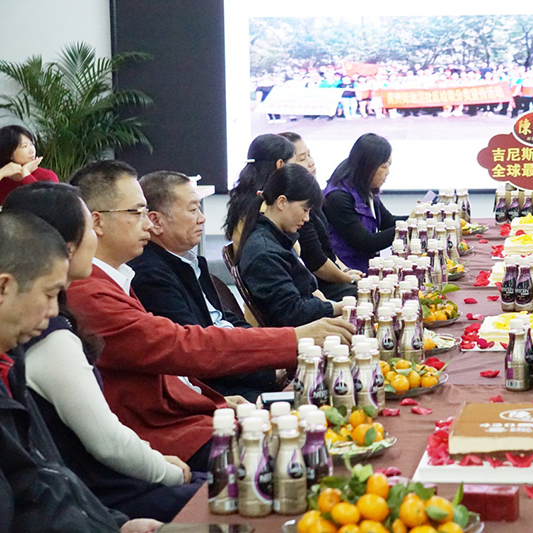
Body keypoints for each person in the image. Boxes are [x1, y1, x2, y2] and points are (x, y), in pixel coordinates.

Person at [67, 160, 353, 468]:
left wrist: (214, 401)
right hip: (171, 438)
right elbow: (182, 347)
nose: (147, 224)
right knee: (307, 451)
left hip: (196, 413)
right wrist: (293, 340)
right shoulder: (94, 292)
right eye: (136, 213)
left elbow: (175, 359)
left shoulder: (120, 277)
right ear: (97, 222)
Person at [4, 182, 202, 522]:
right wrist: (166, 473)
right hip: (105, 491)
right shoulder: (52, 333)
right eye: (89, 227)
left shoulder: (43, 325)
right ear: (64, 248)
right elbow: (106, 443)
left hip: (98, 494)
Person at [0, 209, 161, 532]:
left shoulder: (11, 363)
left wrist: (117, 525)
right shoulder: (41, 345)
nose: (53, 311)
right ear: (4, 288)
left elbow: (45, 478)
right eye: (49, 295)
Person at [130, 171, 282, 402]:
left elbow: (226, 320)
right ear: (156, 221)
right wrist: (270, 372)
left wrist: (273, 356)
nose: (202, 219)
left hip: (244, 372)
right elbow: (200, 355)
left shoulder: (186, 262)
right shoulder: (150, 276)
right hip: (222, 393)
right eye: (193, 210)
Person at [238, 164, 344, 327]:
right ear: (282, 202)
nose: (307, 218)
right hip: (298, 333)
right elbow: (293, 312)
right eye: (305, 209)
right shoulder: (265, 253)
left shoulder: (277, 238)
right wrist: (336, 307)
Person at [278, 132, 362, 300]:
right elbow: (317, 263)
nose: (311, 162)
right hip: (317, 286)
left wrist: (346, 271)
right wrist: (349, 279)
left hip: (330, 280)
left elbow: (327, 250)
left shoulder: (312, 201)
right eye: (302, 158)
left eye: (309, 155)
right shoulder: (293, 209)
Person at [324, 133, 400, 272]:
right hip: (348, 272)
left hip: (367, 267)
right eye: (384, 166)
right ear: (368, 166)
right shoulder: (337, 197)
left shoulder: (364, 187)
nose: (388, 172)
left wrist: (419, 218)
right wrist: (407, 228)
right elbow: (365, 242)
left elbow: (387, 222)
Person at [224, 133, 296, 252]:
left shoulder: (244, 197)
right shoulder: (267, 206)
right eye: (293, 165)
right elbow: (295, 251)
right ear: (280, 165)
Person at [0, 125, 59, 204]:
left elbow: (48, 203)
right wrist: (1, 173)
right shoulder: (3, 177)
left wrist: (26, 175)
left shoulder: (47, 176)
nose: (32, 150)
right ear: (8, 152)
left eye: (32, 144)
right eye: (25, 146)